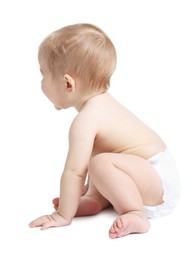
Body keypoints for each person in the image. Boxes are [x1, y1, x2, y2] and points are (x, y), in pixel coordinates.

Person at [29, 23, 180, 239]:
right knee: (101, 157)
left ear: (68, 84)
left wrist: (62, 214)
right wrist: (80, 196)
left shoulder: (86, 120)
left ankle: (136, 213)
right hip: (144, 175)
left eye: (43, 74)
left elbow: (75, 172)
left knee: (100, 163)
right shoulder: (100, 105)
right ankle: (96, 200)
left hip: (157, 180)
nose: (41, 82)